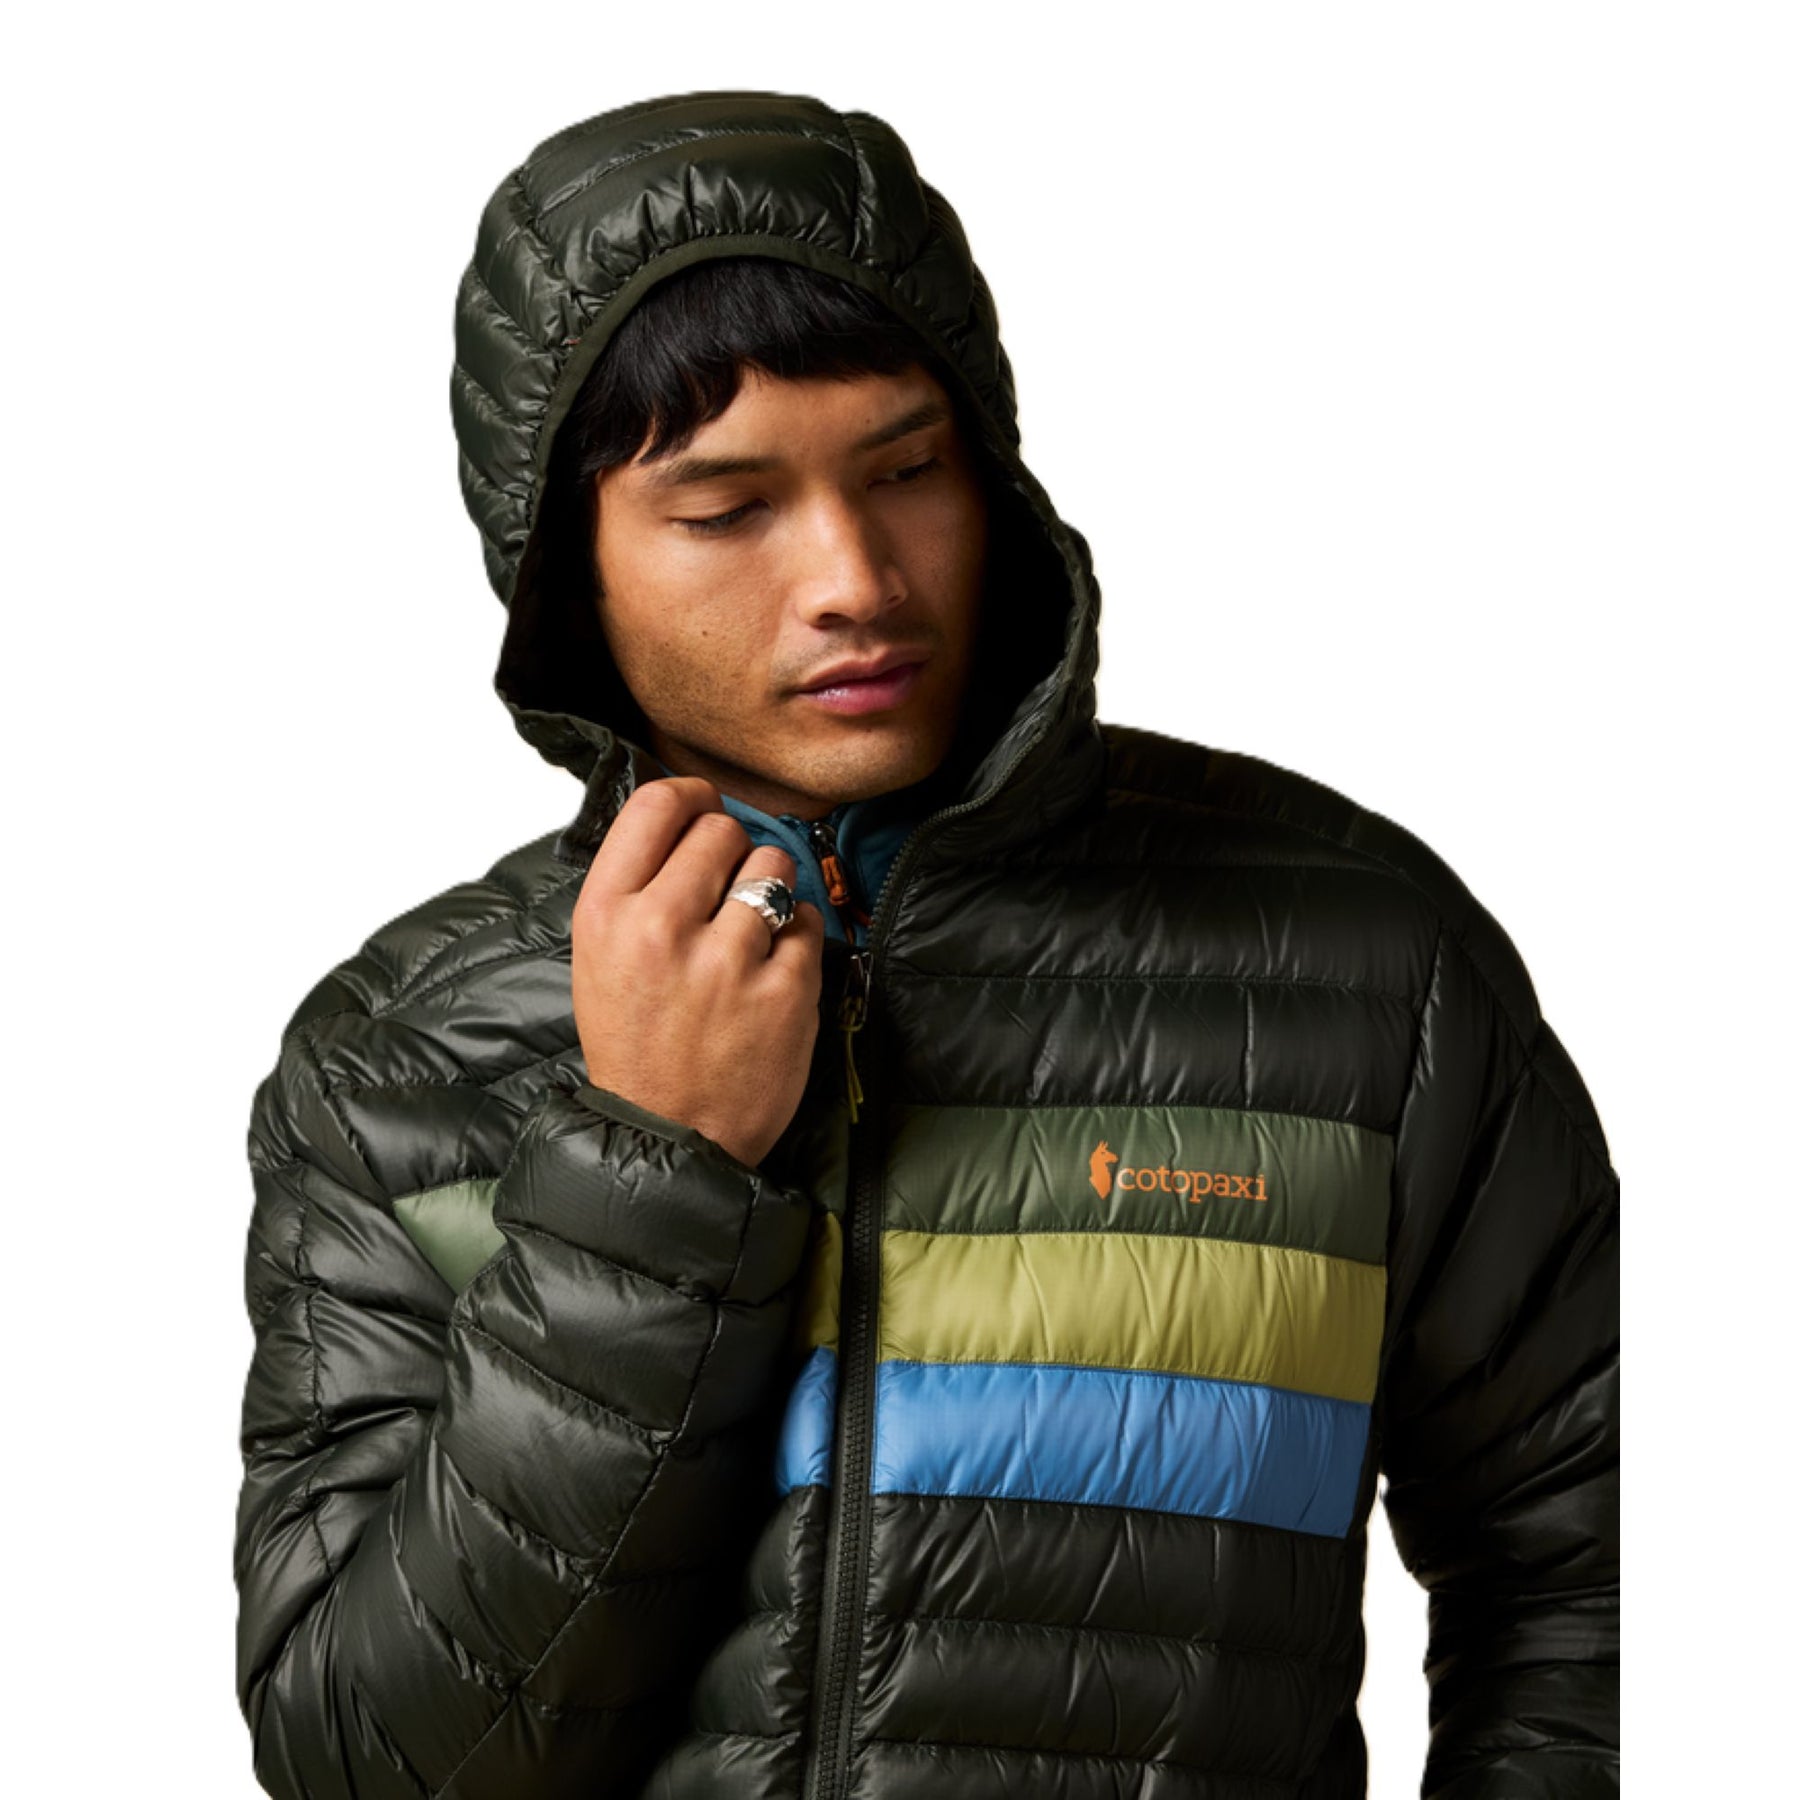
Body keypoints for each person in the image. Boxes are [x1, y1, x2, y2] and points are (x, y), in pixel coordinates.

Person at [234, 90, 1620, 1800]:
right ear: (563, 569)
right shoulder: (405, 1060)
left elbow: (1592, 1577)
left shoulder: (1363, 962)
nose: (857, 578)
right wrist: (652, 1168)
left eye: (907, 471)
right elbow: (370, 1767)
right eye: (725, 509)